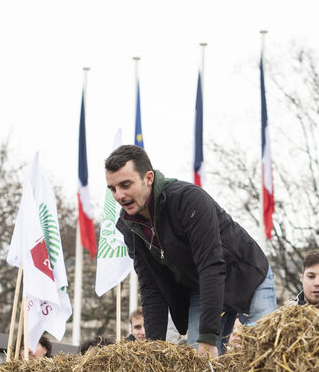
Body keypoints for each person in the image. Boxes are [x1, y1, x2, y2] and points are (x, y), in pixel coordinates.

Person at [105, 145, 276, 358]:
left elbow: (211, 265)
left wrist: (208, 337)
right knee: (199, 362)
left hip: (246, 277)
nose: (119, 195)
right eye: (112, 188)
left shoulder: (188, 199)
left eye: (125, 185)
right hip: (200, 288)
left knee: (265, 355)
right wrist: (153, 352)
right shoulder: (128, 226)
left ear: (148, 178)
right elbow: (151, 287)